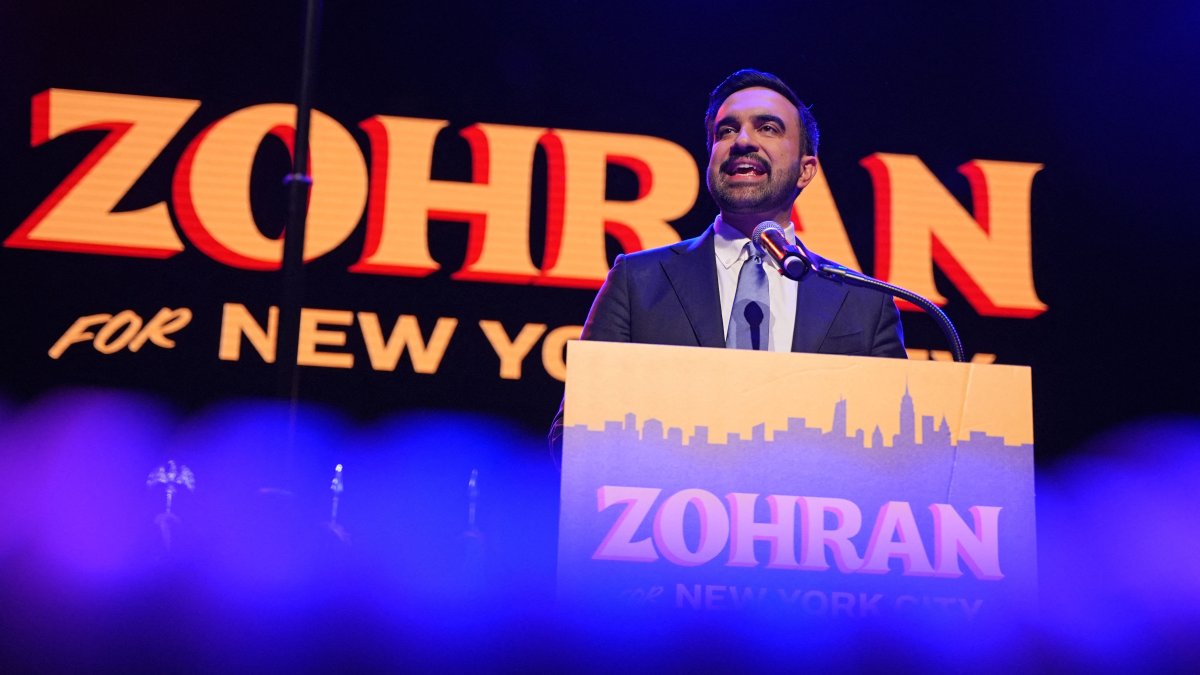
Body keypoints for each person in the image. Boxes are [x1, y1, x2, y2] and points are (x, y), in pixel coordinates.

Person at [550, 69, 905, 453]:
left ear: (806, 170)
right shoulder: (638, 282)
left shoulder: (863, 302)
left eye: (767, 128)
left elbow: (899, 449)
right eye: (726, 131)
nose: (742, 142)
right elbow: (572, 436)